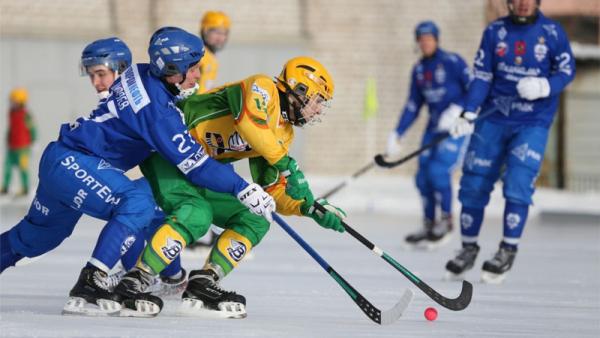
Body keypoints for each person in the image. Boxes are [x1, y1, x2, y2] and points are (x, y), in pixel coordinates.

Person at [0, 26, 275, 317]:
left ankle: (162, 276)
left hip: (64, 161)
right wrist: (241, 187)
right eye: (193, 68)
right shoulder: (156, 112)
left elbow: (175, 109)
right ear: (172, 69)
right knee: (139, 203)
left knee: (35, 238)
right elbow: (195, 165)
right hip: (74, 162)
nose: (197, 75)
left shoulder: (145, 74)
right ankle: (93, 279)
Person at [121, 55, 346, 318]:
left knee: (257, 217)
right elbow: (251, 124)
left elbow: (272, 190)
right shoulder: (262, 87)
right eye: (318, 100)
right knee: (197, 214)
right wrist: (288, 164)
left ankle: (205, 280)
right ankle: (137, 278)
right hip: (172, 150)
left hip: (204, 170)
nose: (318, 110)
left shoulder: (284, 134)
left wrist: (309, 208)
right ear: (300, 89)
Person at [443, 0, 575, 283]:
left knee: (517, 182)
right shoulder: (494, 32)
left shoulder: (553, 32)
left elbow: (566, 71)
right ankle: (468, 247)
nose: (523, 3)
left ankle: (507, 249)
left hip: (532, 122)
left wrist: (545, 86)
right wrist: (468, 111)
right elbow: (482, 75)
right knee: (474, 182)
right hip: (493, 118)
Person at [386, 21, 471, 250]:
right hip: (433, 128)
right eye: (421, 39)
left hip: (456, 128)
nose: (425, 43)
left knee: (438, 171)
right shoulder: (419, 70)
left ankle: (446, 222)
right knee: (422, 176)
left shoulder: (452, 62)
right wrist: (398, 133)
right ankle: (429, 223)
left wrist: (457, 111)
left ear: (437, 39)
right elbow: (413, 105)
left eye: (429, 38)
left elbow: (473, 89)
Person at [188, 10, 233, 252]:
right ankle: (203, 232)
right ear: (204, 30)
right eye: (215, 31)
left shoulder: (211, 60)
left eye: (223, 33)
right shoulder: (201, 58)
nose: (219, 37)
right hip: (194, 125)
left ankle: (206, 232)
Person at [1, 87, 37, 197]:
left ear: (20, 102)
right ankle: (5, 187)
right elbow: (11, 128)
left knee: (23, 168)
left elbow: (32, 128)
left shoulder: (26, 115)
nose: (12, 103)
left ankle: (25, 188)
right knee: (7, 167)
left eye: (14, 101)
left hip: (23, 148)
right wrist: (7, 139)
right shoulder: (11, 113)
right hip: (12, 147)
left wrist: (34, 141)